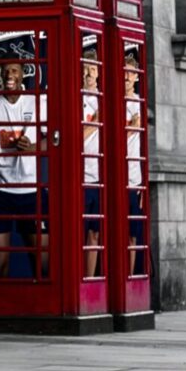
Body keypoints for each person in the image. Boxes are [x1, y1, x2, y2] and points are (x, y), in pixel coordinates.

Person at [0, 58, 47, 278]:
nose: (10, 75)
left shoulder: (37, 101)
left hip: (31, 189)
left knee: (43, 262)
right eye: (5, 70)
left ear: (23, 74)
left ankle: (41, 310)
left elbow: (56, 139)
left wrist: (34, 147)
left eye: (14, 71)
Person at [80, 46, 104, 278]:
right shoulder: (76, 99)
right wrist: (96, 121)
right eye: (85, 69)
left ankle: (91, 280)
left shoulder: (107, 99)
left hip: (101, 178)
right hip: (80, 178)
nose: (88, 74)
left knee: (95, 234)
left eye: (92, 69)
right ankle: (81, 279)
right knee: (79, 233)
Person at [124, 48, 146, 275]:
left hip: (133, 179)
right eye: (124, 73)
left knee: (132, 233)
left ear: (138, 76)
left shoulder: (139, 103)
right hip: (112, 178)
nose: (127, 77)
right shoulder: (109, 101)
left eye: (131, 73)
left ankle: (130, 278)